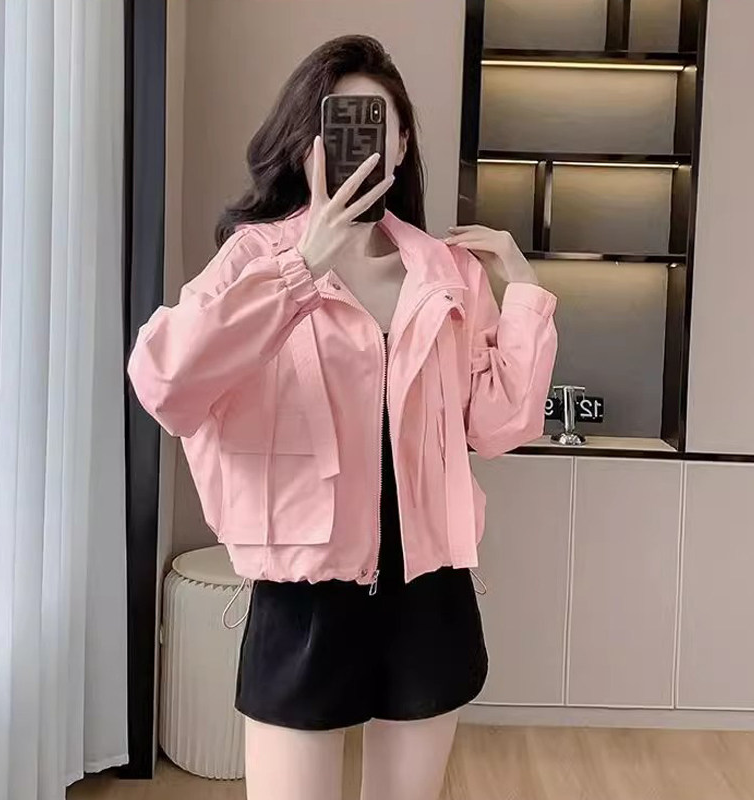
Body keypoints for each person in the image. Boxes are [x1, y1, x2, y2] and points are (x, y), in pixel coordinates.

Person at [128, 34, 557, 800]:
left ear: (403, 143)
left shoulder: (447, 272)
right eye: (339, 122)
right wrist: (302, 268)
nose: (358, 142)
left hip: (429, 588)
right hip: (304, 594)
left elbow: (498, 424)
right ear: (308, 139)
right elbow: (167, 384)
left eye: (376, 123)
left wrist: (522, 290)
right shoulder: (256, 259)